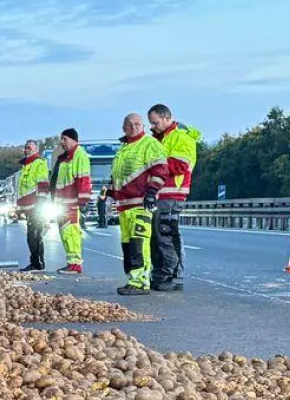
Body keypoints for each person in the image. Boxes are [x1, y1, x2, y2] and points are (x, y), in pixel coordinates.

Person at [107, 113, 170, 296]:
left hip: (141, 203)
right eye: (129, 124)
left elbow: (160, 170)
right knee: (127, 245)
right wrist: (110, 194)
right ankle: (132, 279)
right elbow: (118, 177)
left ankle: (141, 282)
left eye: (137, 124)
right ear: (123, 127)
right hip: (125, 205)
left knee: (138, 243)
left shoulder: (150, 144)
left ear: (143, 126)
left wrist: (151, 192)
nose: (133, 127)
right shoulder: (123, 149)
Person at [148, 104, 201, 291]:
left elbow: (179, 165)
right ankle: (161, 273)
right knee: (156, 237)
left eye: (154, 122)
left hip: (173, 194)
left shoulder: (181, 137)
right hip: (160, 194)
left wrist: (153, 164)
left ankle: (175, 276)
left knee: (167, 235)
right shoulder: (160, 139)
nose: (152, 127)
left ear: (166, 118)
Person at [52, 129, 93, 275]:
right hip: (63, 203)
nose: (62, 142)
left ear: (73, 139)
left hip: (71, 203)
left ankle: (75, 264)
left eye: (64, 139)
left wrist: (82, 201)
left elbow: (83, 179)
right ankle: (71, 262)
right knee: (65, 233)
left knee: (71, 233)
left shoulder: (79, 155)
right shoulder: (66, 158)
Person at [15, 140, 50, 271]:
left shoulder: (39, 164)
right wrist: (19, 207)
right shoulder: (26, 166)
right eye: (25, 148)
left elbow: (42, 184)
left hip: (36, 206)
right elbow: (22, 189)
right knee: (31, 236)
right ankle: (35, 262)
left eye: (29, 147)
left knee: (35, 235)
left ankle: (38, 263)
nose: (26, 150)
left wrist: (40, 204)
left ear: (36, 149)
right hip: (29, 207)